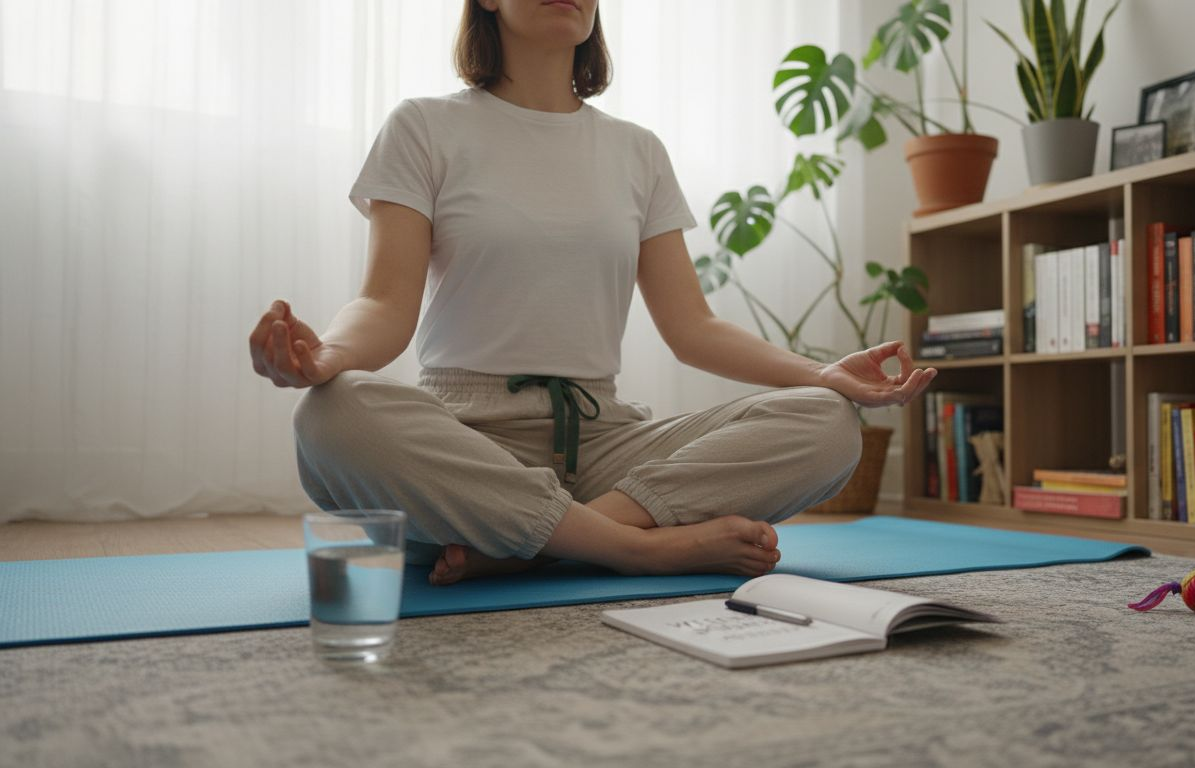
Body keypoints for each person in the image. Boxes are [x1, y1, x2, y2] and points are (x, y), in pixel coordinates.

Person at [248, 0, 936, 586]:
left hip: (605, 446)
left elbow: (693, 327)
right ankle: (637, 549)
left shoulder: (638, 151)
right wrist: (328, 356)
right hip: (468, 445)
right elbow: (384, 305)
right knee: (331, 416)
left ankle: (534, 545)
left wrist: (821, 374)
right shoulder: (424, 126)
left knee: (828, 423)